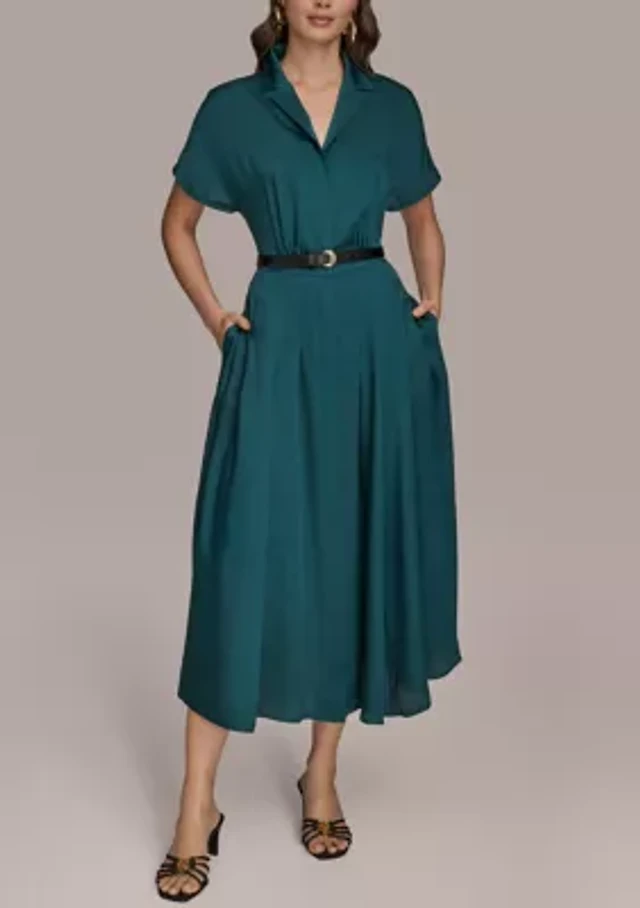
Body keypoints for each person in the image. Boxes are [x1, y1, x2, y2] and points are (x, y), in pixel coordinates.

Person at [156, 0, 462, 900]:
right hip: (279, 339)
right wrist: (219, 319)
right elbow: (176, 224)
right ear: (279, 2)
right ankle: (196, 801)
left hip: (374, 347)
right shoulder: (232, 109)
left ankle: (321, 774)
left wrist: (430, 307)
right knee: (238, 556)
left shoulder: (392, 106)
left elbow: (422, 220)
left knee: (349, 548)